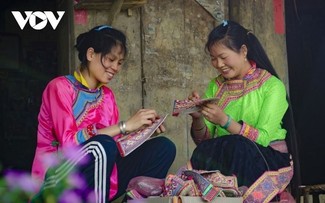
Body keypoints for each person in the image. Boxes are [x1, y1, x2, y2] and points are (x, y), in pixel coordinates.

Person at [31, 25, 176, 202]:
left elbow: (114, 147)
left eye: (120, 62)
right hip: (57, 176)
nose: (115, 67)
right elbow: (69, 143)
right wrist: (124, 126)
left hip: (100, 169)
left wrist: (142, 131)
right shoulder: (60, 87)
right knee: (102, 146)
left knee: (163, 148)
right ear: (91, 54)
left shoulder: (107, 96)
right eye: (110, 59)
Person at [188, 20, 293, 202]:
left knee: (238, 144)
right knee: (206, 150)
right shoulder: (216, 86)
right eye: (213, 58)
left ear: (243, 51)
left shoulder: (271, 86)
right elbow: (204, 142)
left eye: (223, 57)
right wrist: (197, 118)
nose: (218, 64)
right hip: (230, 156)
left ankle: (238, 193)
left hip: (267, 157)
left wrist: (225, 121)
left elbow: (263, 138)